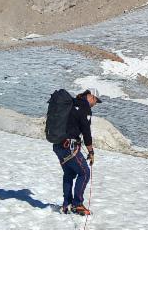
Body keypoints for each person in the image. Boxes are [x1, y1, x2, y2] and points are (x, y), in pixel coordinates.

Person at [52, 88, 101, 216]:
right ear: (91, 97)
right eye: (96, 101)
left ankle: (66, 204)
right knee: (84, 172)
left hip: (58, 145)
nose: (95, 104)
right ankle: (77, 204)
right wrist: (91, 152)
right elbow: (86, 132)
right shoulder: (85, 107)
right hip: (70, 147)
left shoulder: (72, 102)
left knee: (69, 173)